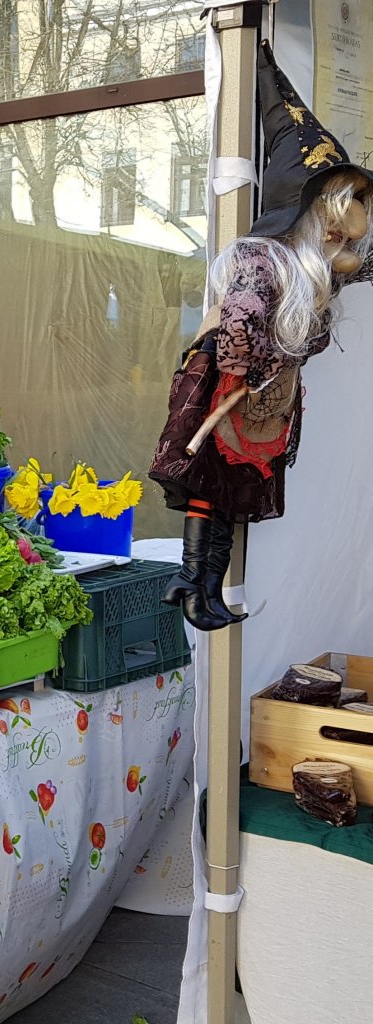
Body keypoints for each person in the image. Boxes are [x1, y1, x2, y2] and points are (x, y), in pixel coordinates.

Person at [150, 40, 373, 631]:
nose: (339, 242)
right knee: (213, 480)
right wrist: (244, 372)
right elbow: (241, 319)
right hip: (233, 380)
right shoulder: (261, 258)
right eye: (331, 225)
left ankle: (202, 587)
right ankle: (192, 581)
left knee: (236, 487)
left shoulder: (314, 274)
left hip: (264, 393)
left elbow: (358, 266)